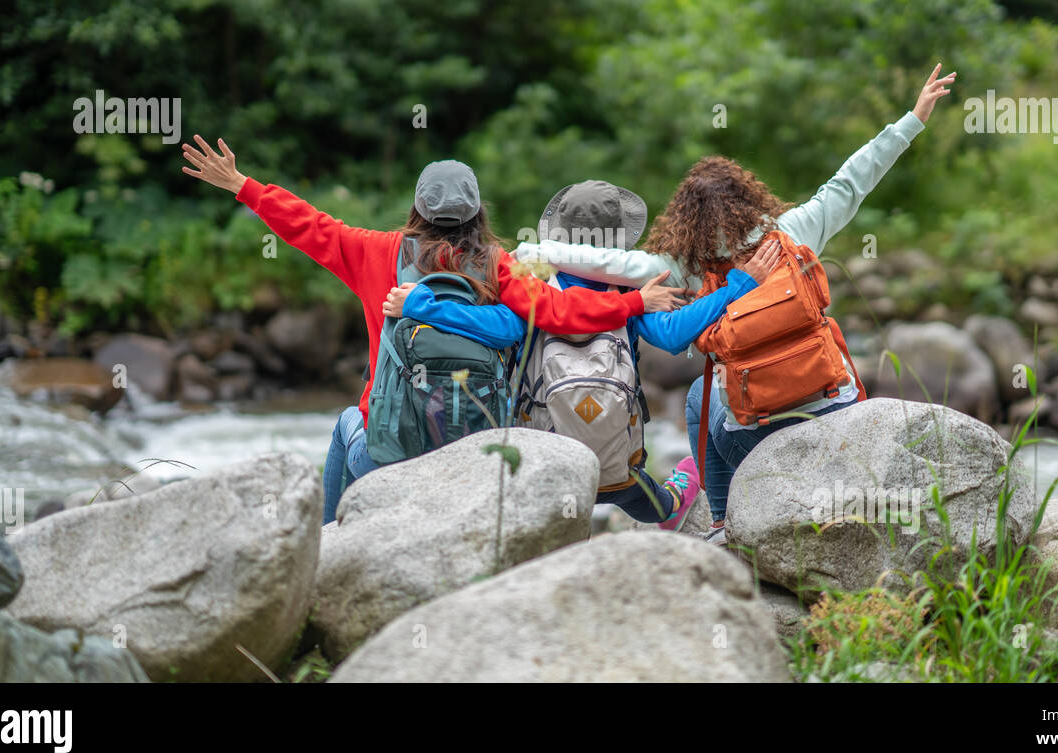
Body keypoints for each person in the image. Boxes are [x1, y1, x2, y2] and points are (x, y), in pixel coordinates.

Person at [507, 64, 958, 543]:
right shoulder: (792, 234)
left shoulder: (682, 265)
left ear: (684, 218)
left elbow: (612, 264)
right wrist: (913, 118)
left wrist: (534, 252)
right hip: (835, 403)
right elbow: (849, 183)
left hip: (749, 432)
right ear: (749, 196)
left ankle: (721, 523)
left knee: (701, 396)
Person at [178, 138, 687, 523]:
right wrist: (637, 300)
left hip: (386, 453)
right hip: (474, 451)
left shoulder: (376, 252)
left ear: (418, 210)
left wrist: (244, 186)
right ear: (477, 212)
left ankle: (332, 546)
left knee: (343, 426)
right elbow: (556, 310)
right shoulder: (498, 264)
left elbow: (309, 225)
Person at [384, 179, 785, 529]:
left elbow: (499, 328)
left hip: (542, 466)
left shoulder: (534, 280)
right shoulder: (630, 291)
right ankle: (679, 494)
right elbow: (674, 335)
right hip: (616, 471)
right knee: (658, 505)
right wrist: (739, 284)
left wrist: (423, 306)